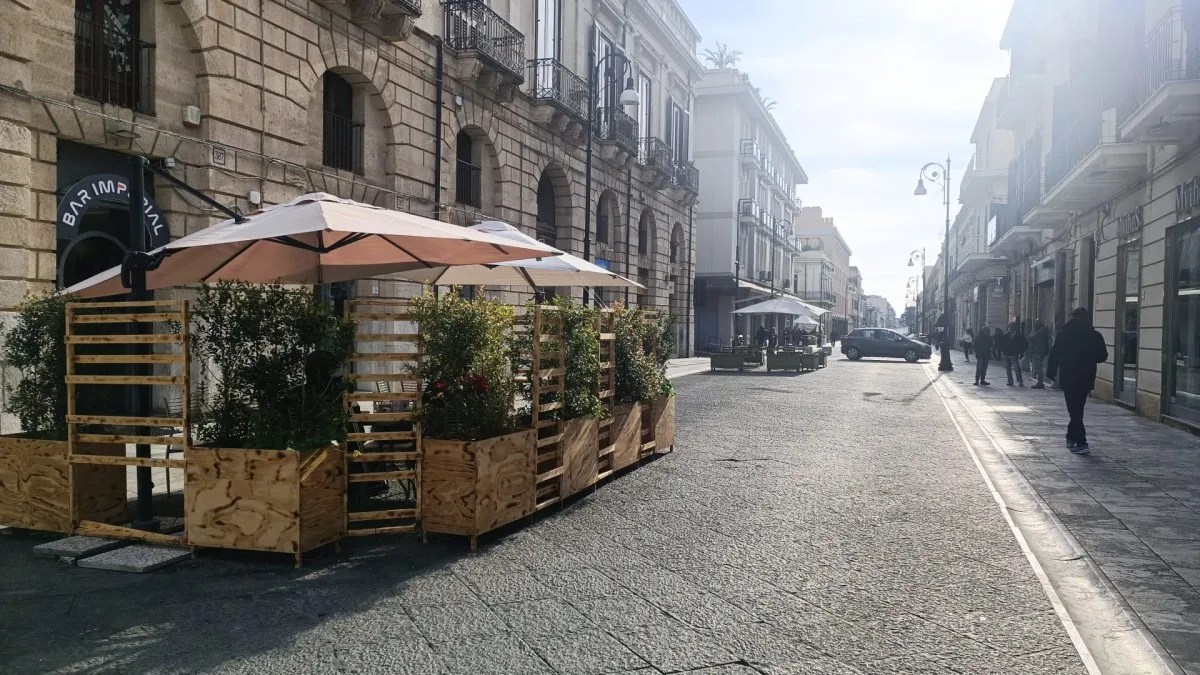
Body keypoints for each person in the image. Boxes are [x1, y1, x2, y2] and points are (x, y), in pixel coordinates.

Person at [1046, 307, 1109, 454]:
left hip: (1069, 375)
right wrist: (1090, 358)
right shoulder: (1094, 335)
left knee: (1074, 410)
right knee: (1078, 408)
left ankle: (1079, 441)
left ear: (1073, 317)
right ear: (1087, 318)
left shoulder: (1064, 334)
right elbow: (1103, 356)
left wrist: (1051, 372)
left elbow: (1054, 354)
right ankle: (1074, 438)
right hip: (1086, 376)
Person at [1027, 321, 1051, 389]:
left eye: (1034, 324)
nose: (1034, 326)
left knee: (1038, 367)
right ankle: (1040, 382)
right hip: (1042, 351)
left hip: (1038, 351)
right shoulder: (1043, 331)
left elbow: (1030, 337)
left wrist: (1033, 331)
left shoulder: (1039, 332)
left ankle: (1040, 382)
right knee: (1039, 367)